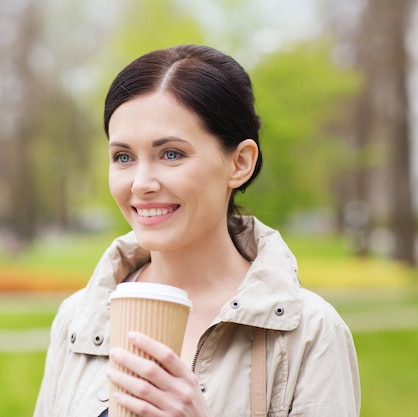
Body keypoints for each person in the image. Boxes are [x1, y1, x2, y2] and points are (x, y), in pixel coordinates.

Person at [34, 44, 360, 417]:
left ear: (240, 163)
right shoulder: (78, 318)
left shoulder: (312, 333)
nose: (141, 183)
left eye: (171, 154)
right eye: (123, 157)